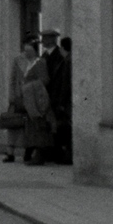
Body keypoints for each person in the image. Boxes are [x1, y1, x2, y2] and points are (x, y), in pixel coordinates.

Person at [4, 33, 40, 162]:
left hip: (31, 97)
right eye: (26, 44)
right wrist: (12, 96)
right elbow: (12, 79)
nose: (28, 47)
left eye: (30, 45)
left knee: (29, 126)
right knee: (13, 124)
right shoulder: (17, 59)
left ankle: (28, 152)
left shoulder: (37, 60)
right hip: (19, 96)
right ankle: (10, 152)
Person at [46, 31, 73, 164]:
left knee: (65, 128)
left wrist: (61, 102)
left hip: (65, 101)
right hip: (65, 100)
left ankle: (66, 156)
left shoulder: (67, 61)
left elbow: (65, 84)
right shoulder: (68, 60)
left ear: (62, 48)